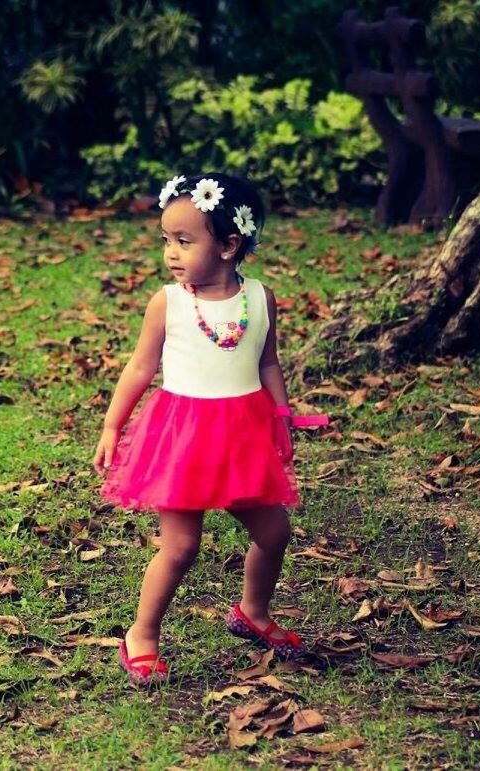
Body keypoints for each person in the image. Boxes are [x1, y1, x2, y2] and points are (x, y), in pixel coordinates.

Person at [93, 172, 306, 685]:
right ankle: (141, 634)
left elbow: (268, 362)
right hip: (183, 439)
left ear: (230, 245)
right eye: (166, 239)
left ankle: (252, 611)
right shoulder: (169, 302)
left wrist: (282, 418)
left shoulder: (259, 298)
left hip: (240, 437)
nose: (170, 253)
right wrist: (111, 426)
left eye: (184, 241)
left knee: (274, 531)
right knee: (182, 546)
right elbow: (140, 368)